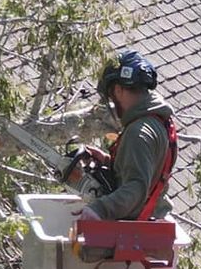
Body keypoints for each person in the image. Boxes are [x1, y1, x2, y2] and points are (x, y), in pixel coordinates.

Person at [70, 51, 177, 221]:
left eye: (111, 95)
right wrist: (108, 161)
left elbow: (136, 188)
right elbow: (147, 170)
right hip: (152, 219)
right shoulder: (157, 122)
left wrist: (99, 209)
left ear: (119, 89)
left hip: (136, 230)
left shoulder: (139, 132)